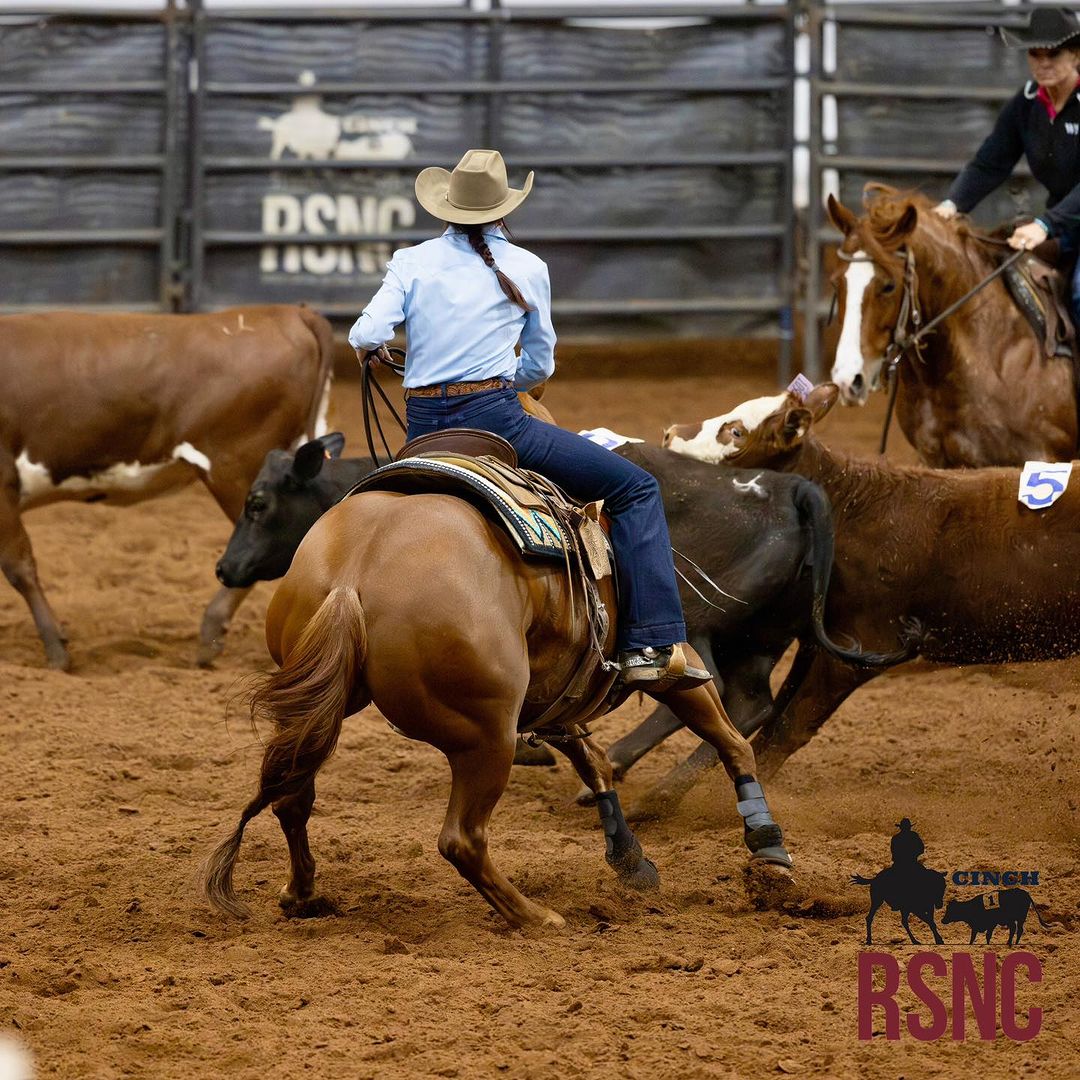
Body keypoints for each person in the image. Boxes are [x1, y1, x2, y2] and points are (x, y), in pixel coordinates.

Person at [348, 149, 709, 690]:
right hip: (499, 421)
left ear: (446, 208)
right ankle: (650, 642)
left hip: (424, 429)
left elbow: (364, 334)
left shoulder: (411, 260)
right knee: (636, 489)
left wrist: (377, 355)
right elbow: (541, 363)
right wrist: (503, 379)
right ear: (503, 211)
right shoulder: (528, 267)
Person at [934, 7, 1080, 325]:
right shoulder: (1026, 104)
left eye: (1053, 53)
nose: (1043, 62)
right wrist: (952, 203)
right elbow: (990, 162)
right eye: (1034, 53)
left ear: (1076, 55)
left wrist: (1045, 224)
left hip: (1059, 222)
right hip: (1065, 225)